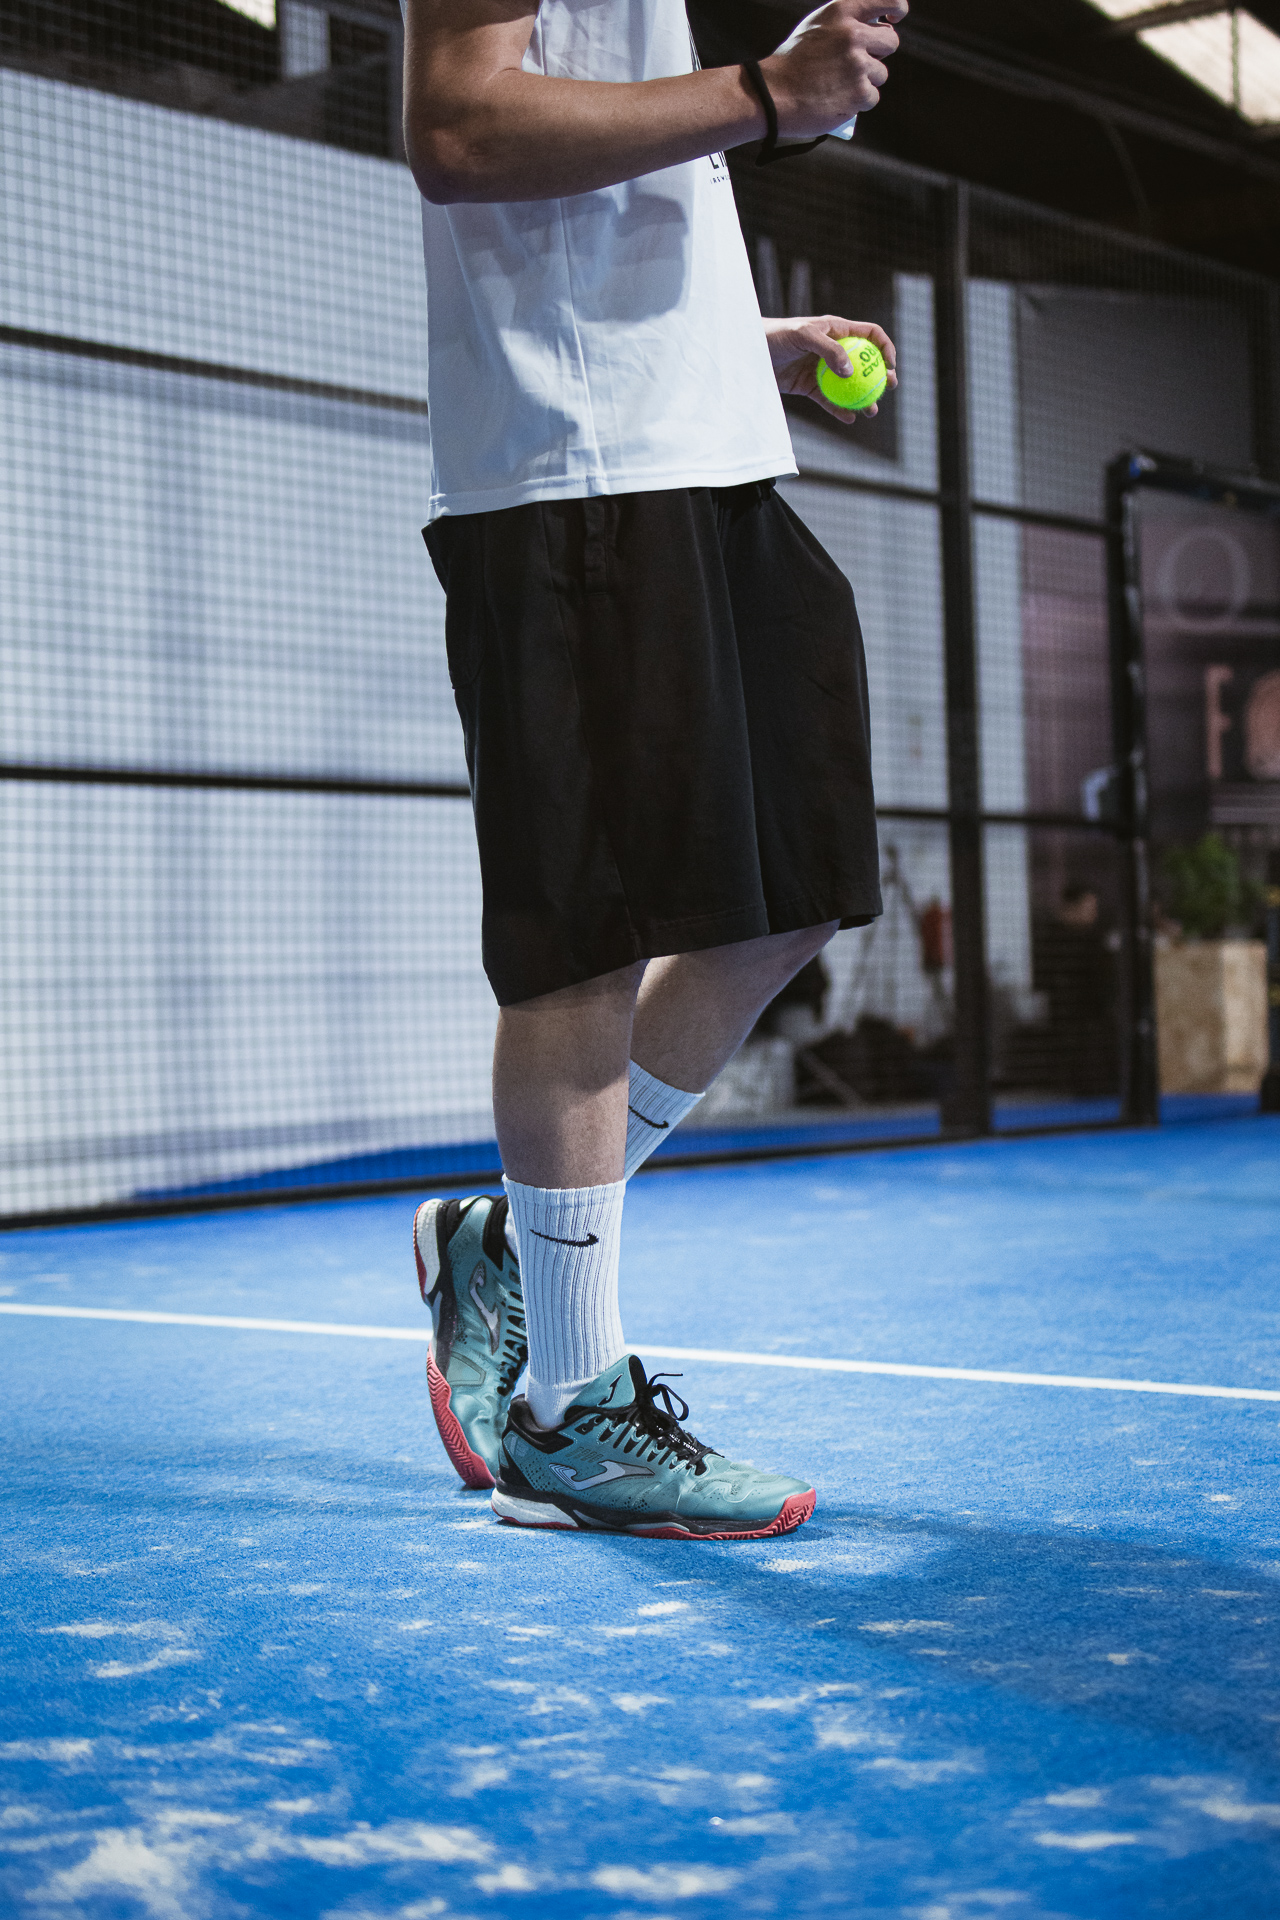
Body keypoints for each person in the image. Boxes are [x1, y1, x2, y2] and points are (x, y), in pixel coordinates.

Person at [400, 0, 903, 1537]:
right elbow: (462, 126)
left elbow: (597, 200)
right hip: (574, 475)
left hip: (705, 454)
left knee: (798, 888)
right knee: (592, 937)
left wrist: (740, 346)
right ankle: (570, 1409)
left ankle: (513, 1241)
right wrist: (768, 91)